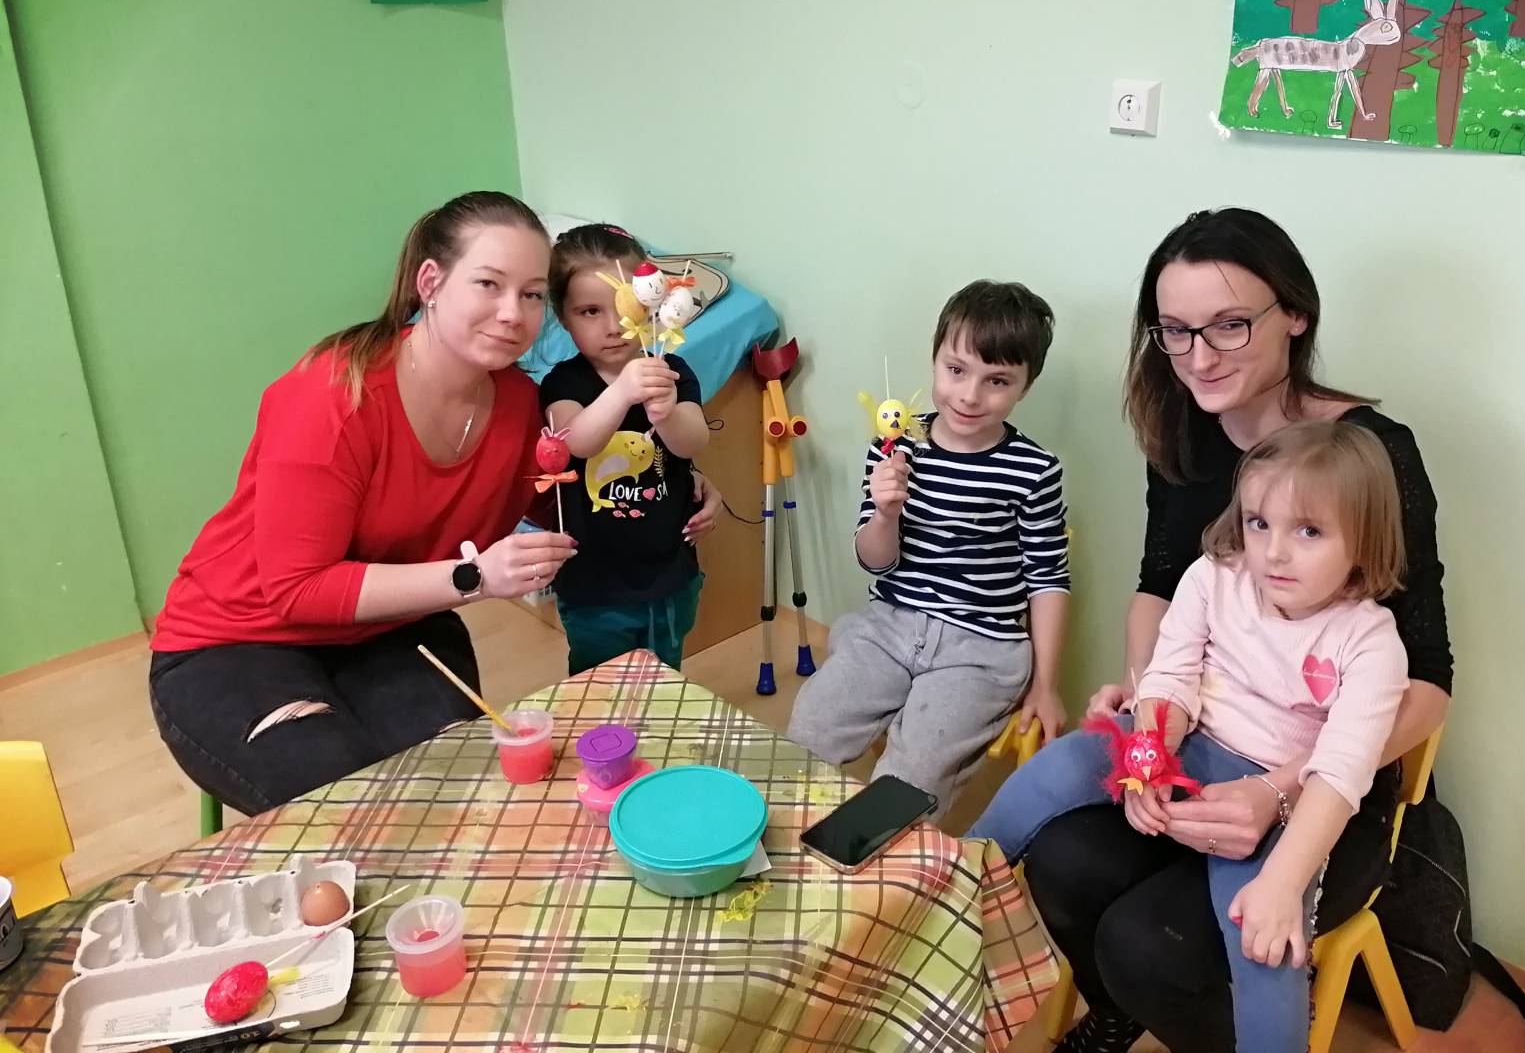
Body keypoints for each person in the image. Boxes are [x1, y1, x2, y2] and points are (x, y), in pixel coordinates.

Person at [1023, 208, 1452, 1053]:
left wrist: (1279, 791)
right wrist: (1152, 709)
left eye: (1229, 325)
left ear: (1295, 314)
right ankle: (1118, 1012)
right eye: (1175, 331)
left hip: (1326, 782)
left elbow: (1429, 686)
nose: (1199, 358)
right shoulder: (1184, 423)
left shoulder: (1370, 455)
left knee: (1148, 944)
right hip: (1203, 740)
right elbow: (1159, 589)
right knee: (1060, 860)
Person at [148, 192, 721, 815]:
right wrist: (475, 576)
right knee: (352, 806)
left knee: (451, 790)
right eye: (488, 284)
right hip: (237, 640)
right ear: (431, 282)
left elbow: (559, 494)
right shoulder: (333, 395)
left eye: (531, 294)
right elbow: (297, 590)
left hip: (395, 626)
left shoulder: (515, 406)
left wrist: (683, 488)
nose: (512, 313)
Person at [972, 421, 1409, 1053]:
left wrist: (1283, 883)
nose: (1274, 553)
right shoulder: (1213, 577)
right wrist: (1146, 762)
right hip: (1189, 747)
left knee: (1263, 942)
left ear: (1364, 540)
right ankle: (958, 877)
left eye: (1309, 531)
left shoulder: (1371, 642)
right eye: (1259, 523)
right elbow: (1169, 676)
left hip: (1274, 799)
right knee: (1062, 764)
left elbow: (1340, 773)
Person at [787, 280, 1071, 817]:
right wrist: (885, 512)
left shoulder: (1034, 470)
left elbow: (1049, 578)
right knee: (809, 728)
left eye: (997, 381)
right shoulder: (894, 447)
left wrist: (1046, 685)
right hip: (890, 626)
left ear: (1025, 387)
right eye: (956, 370)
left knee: (908, 784)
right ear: (935, 359)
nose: (969, 395)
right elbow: (875, 561)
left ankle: (872, 859)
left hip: (981, 648)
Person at [542, 224, 710, 675]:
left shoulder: (670, 369)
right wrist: (621, 393)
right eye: (590, 311)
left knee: (664, 678)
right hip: (595, 584)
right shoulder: (563, 383)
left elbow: (694, 440)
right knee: (599, 685)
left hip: (671, 572)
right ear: (564, 317)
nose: (613, 326)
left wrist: (666, 414)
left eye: (625, 307)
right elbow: (575, 441)